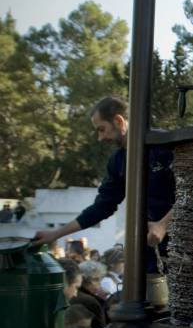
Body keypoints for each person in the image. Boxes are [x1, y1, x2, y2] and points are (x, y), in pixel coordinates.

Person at [31, 96, 176, 276]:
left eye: (102, 129)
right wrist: (55, 234)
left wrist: (163, 224)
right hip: (150, 245)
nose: (100, 138)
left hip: (186, 239)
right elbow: (102, 206)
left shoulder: (166, 145)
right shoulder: (117, 161)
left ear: (119, 121)